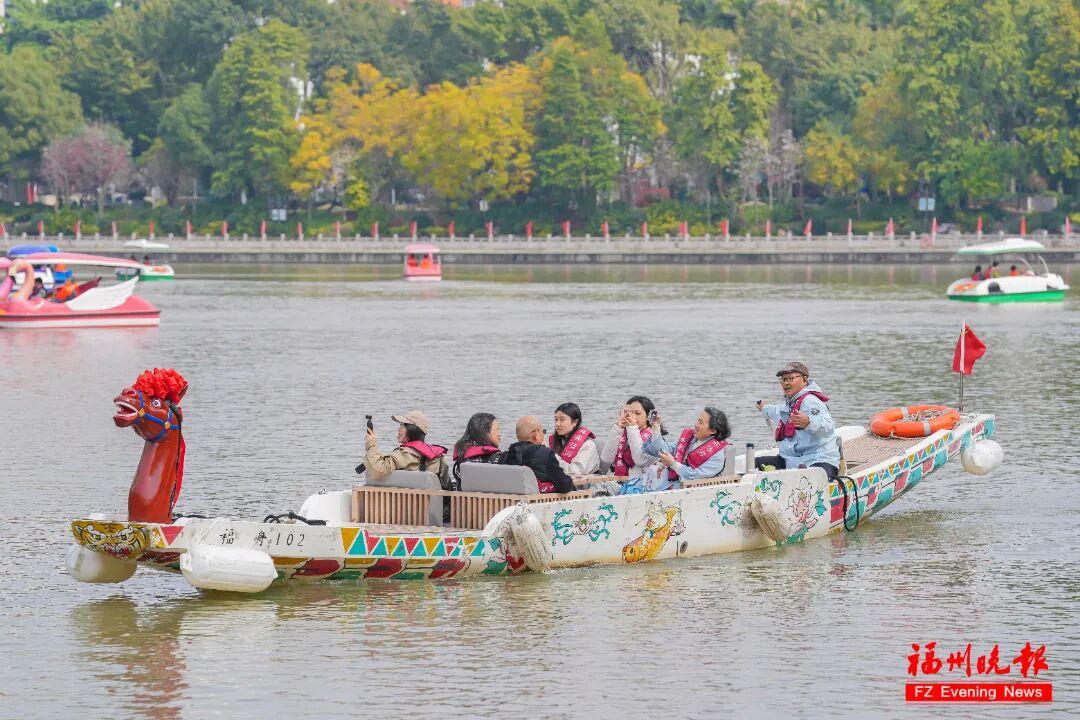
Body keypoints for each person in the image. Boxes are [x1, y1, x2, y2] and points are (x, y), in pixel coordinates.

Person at [755, 362, 840, 480]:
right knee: (754, 464)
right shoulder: (788, 405)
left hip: (819, 460)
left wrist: (809, 422)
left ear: (804, 380)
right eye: (783, 380)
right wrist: (763, 407)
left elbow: (828, 427)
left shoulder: (811, 402)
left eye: (790, 378)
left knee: (808, 478)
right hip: (791, 461)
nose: (786, 383)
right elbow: (774, 410)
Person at [363, 410, 450, 489]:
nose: (399, 429)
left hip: (400, 504)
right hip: (429, 504)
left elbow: (377, 471)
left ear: (413, 430)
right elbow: (445, 485)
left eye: (403, 425)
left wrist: (372, 445)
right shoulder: (438, 456)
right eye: (400, 424)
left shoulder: (404, 454)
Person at [644, 406, 731, 485]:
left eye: (701, 422)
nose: (696, 425)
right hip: (675, 483)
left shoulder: (716, 455)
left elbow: (695, 476)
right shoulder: (691, 438)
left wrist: (672, 463)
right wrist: (656, 427)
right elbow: (665, 450)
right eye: (698, 420)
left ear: (712, 430)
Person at [598, 395, 662, 492]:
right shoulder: (622, 432)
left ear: (648, 417)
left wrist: (632, 427)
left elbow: (639, 460)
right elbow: (606, 459)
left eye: (638, 413)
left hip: (639, 485)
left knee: (598, 489)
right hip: (618, 481)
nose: (632, 416)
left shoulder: (653, 437)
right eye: (629, 412)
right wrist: (618, 427)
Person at [503, 416, 576, 493]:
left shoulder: (506, 456)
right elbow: (564, 484)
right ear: (536, 434)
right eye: (543, 431)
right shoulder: (544, 454)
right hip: (539, 502)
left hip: (513, 502)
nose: (544, 435)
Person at [452, 412, 502, 487]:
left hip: (464, 498)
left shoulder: (462, 458)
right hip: (491, 498)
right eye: (497, 429)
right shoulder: (497, 458)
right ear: (485, 433)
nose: (499, 434)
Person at [549, 402, 600, 475]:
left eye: (562, 420)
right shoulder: (557, 441)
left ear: (575, 422)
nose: (557, 424)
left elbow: (575, 472)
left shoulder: (587, 445)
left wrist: (551, 456)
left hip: (583, 484)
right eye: (556, 420)